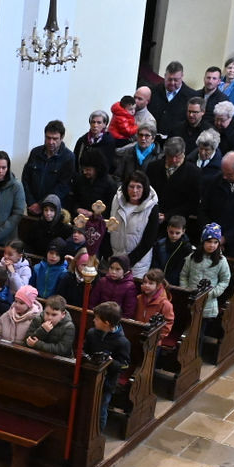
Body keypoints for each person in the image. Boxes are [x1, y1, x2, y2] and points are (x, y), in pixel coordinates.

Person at [87, 301, 133, 429]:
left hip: (106, 383)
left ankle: (98, 433)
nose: (94, 320)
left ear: (106, 323)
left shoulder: (122, 342)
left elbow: (124, 366)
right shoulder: (92, 333)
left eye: (97, 319)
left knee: (100, 409)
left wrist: (110, 361)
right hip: (90, 377)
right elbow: (85, 351)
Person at [106, 173, 160, 276]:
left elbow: (149, 240)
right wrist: (109, 254)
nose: (134, 191)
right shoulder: (116, 200)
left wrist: (128, 261)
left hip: (137, 264)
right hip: (113, 258)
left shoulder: (152, 207)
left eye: (139, 187)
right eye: (131, 186)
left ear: (144, 188)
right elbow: (108, 227)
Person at [180, 224, 233, 322]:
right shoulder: (192, 257)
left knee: (201, 328)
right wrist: (186, 290)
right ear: (203, 241)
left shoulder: (221, 261)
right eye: (209, 241)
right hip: (191, 299)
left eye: (215, 242)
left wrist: (213, 293)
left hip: (208, 303)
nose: (212, 245)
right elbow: (184, 275)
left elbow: (225, 280)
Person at [21, 120, 76, 209]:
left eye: (55, 139)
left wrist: (41, 204)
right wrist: (31, 202)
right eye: (48, 138)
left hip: (53, 209)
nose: (50, 142)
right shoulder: (35, 153)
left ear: (62, 138)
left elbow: (63, 186)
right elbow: (26, 179)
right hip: (32, 206)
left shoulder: (68, 157)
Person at [150, 61, 196, 140]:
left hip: (177, 141)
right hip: (152, 139)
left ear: (182, 77)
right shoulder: (153, 91)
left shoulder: (191, 96)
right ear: (165, 76)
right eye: (169, 79)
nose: (172, 83)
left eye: (176, 80)